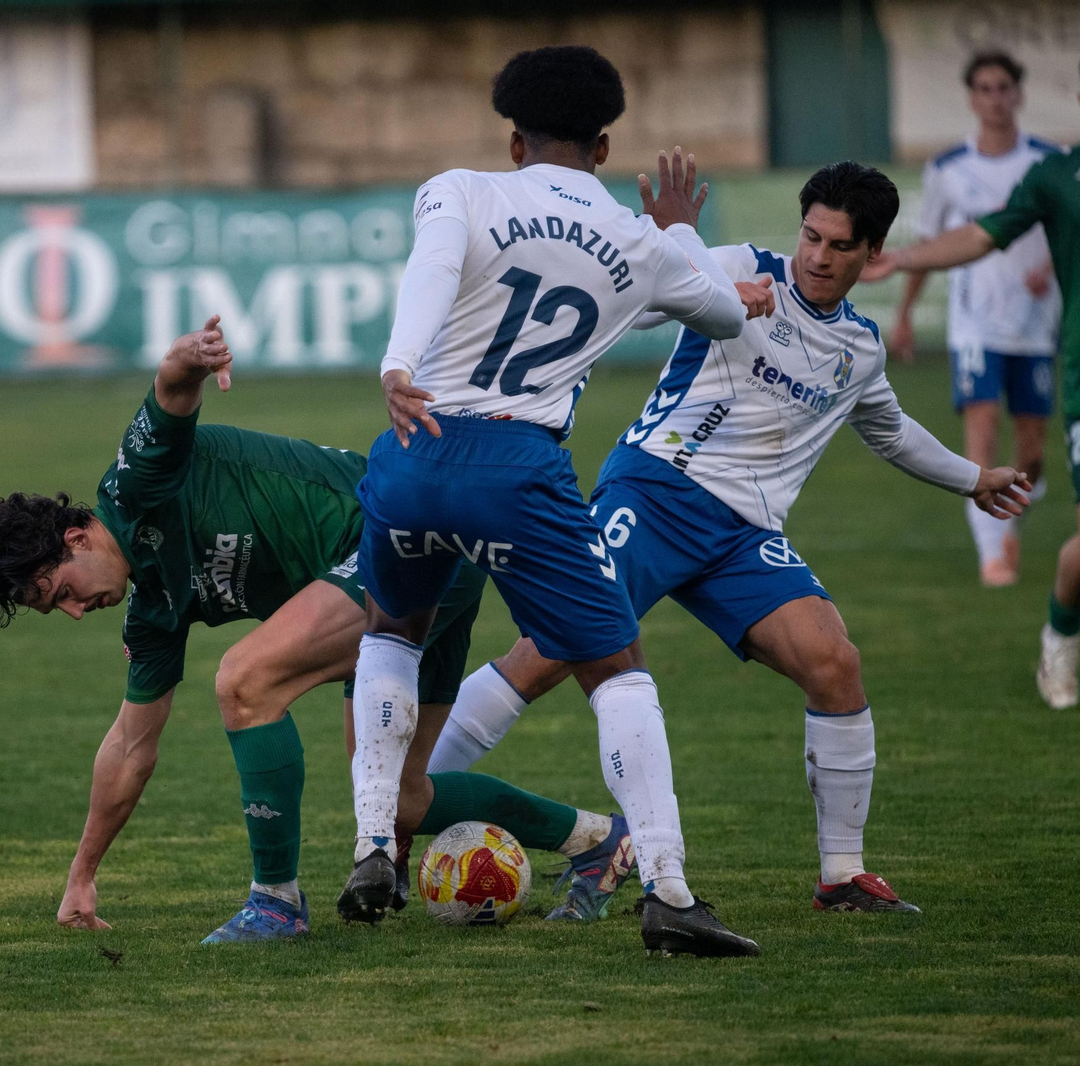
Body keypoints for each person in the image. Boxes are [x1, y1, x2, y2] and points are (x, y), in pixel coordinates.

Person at [427, 162, 1035, 914]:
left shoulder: (860, 348)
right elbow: (646, 298)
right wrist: (671, 240)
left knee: (835, 662)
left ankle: (842, 875)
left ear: (871, 255)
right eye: (810, 234)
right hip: (654, 491)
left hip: (744, 537)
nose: (816, 254)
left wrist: (972, 477)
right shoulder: (745, 269)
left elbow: (891, 432)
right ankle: (400, 813)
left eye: (839, 245)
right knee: (545, 654)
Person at [0, 317, 635, 944]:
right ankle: (597, 841)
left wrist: (191, 357)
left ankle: (275, 901)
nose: (75, 611)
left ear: (76, 538)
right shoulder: (152, 609)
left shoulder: (133, 488)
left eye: (60, 592)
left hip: (396, 535)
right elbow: (131, 745)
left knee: (246, 679)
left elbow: (170, 390)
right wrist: (81, 873)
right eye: (57, 611)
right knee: (400, 798)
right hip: (428, 568)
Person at [343, 45, 760, 957]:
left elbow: (433, 269)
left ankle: (375, 843)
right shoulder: (641, 243)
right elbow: (727, 315)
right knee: (617, 666)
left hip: (418, 444)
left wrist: (398, 366)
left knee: (390, 631)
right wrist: (680, 231)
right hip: (519, 462)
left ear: (513, 137)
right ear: (605, 147)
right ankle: (671, 893)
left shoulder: (462, 187)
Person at [865, 42, 1080, 710]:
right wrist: (905, 261)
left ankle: (1008, 534)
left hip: (1042, 336)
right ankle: (1057, 635)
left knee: (1027, 450)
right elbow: (979, 234)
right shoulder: (1059, 178)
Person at [889, 50, 1060, 587]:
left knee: (1032, 453)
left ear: (1018, 94)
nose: (994, 98)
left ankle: (1010, 522)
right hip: (975, 328)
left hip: (1035, 327)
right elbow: (931, 244)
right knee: (981, 436)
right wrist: (905, 313)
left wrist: (1050, 265)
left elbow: (1071, 228)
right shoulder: (947, 169)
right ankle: (992, 555)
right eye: (983, 88)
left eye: (1003, 87)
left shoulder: (1049, 162)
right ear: (971, 98)